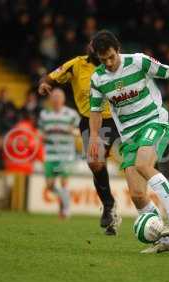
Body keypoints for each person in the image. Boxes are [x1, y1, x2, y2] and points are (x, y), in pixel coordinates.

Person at [88, 30, 169, 253]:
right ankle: (165, 241)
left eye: (111, 56)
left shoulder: (139, 61)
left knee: (143, 165)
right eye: (103, 59)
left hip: (153, 122)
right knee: (138, 195)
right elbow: (96, 111)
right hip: (128, 136)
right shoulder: (98, 79)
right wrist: (93, 136)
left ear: (118, 49)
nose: (109, 63)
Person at [38, 45, 120, 235]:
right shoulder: (76, 64)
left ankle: (116, 208)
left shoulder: (117, 63)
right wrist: (45, 84)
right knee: (95, 163)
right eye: (94, 46)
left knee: (115, 163)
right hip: (89, 119)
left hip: (115, 119)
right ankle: (110, 206)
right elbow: (51, 77)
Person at [38, 88, 80, 219]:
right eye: (54, 97)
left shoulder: (71, 114)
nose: (56, 99)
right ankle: (64, 201)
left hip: (66, 154)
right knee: (50, 186)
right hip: (50, 154)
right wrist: (42, 136)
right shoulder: (44, 114)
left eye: (58, 97)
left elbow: (79, 131)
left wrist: (72, 131)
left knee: (63, 182)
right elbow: (40, 132)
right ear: (50, 99)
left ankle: (66, 210)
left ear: (63, 99)